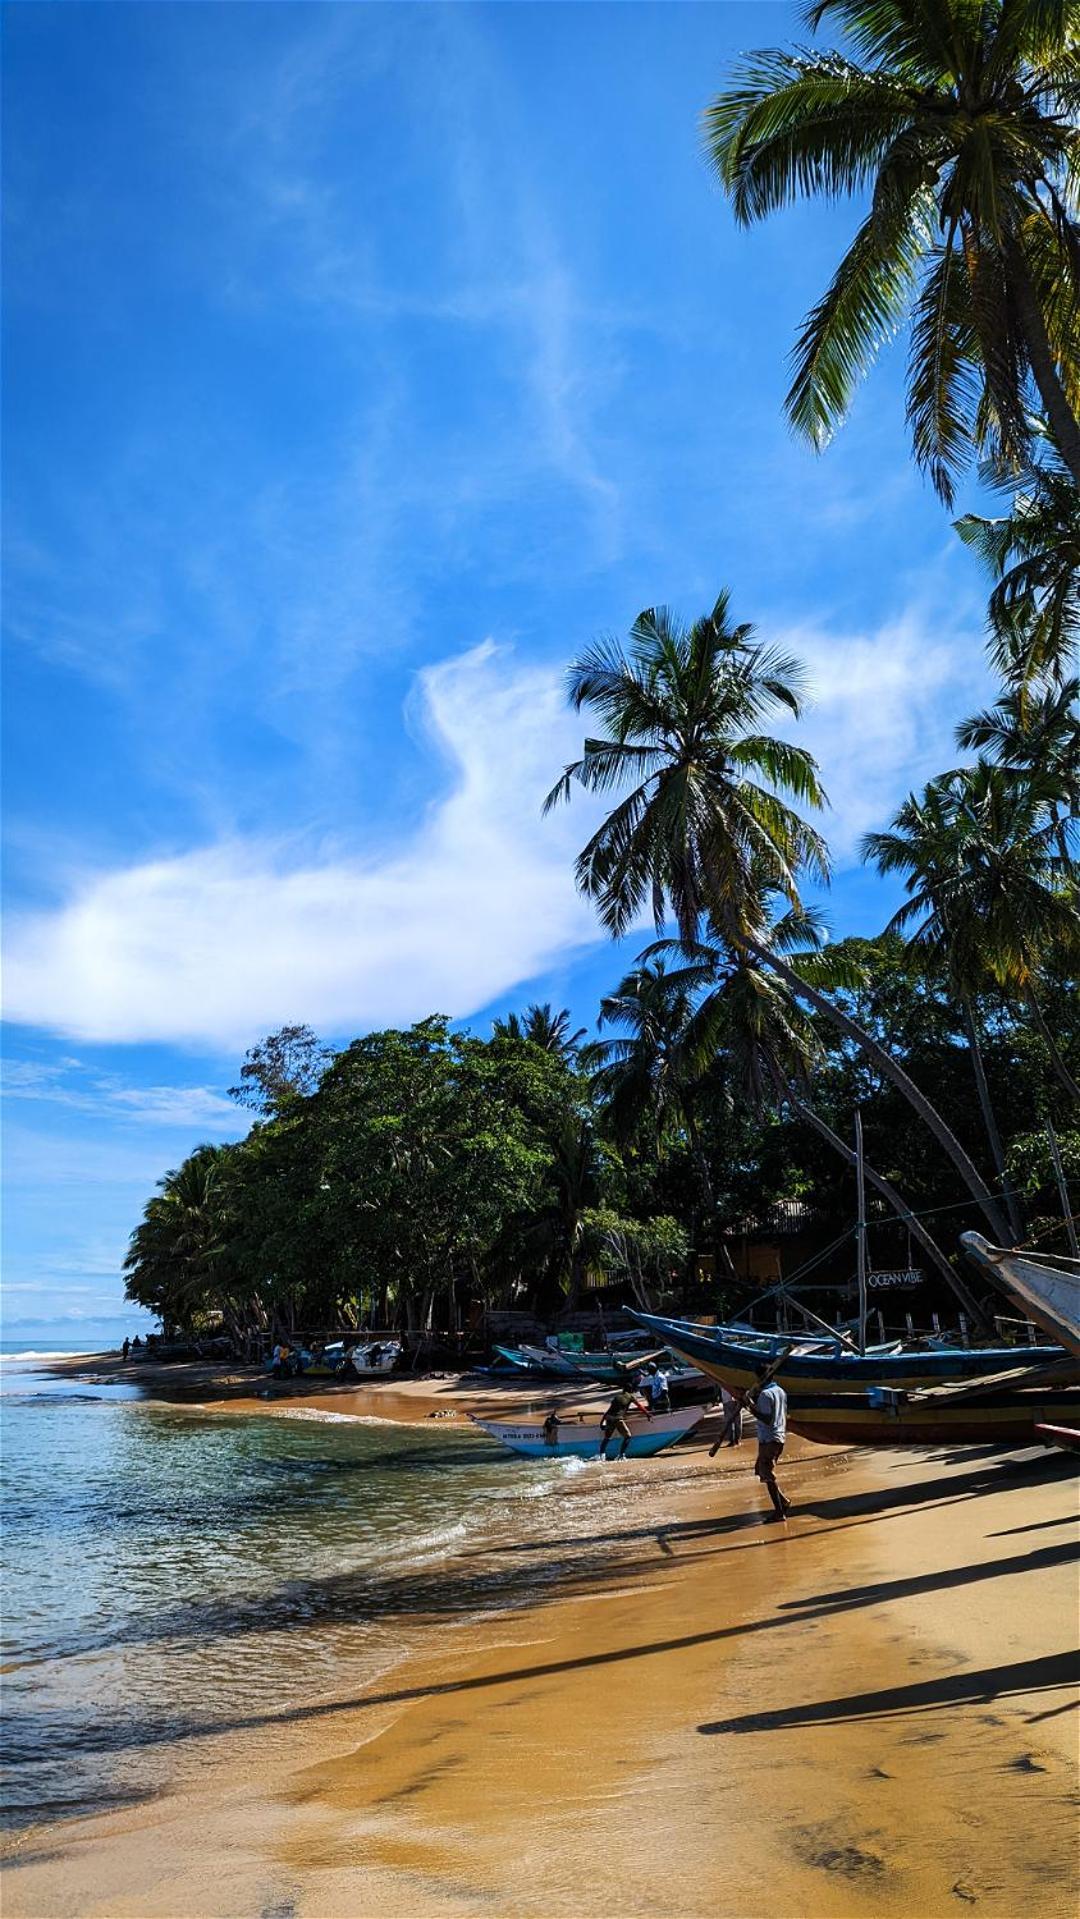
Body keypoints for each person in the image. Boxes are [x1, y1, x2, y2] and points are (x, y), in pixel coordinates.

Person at [745, 1366, 791, 1521]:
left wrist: (750, 1407)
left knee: (768, 1474)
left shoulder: (765, 1394)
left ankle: (779, 1512)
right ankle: (783, 1502)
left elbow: (767, 1419)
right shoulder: (780, 1391)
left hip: (769, 1439)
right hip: (777, 1438)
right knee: (761, 1470)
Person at [598, 1384, 649, 1461]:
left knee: (607, 1438)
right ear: (631, 1390)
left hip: (609, 1418)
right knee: (628, 1436)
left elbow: (609, 1410)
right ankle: (621, 1455)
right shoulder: (630, 1396)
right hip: (618, 1419)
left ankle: (601, 1456)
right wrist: (647, 1414)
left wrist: (602, 1422)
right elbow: (639, 1406)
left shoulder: (617, 1397)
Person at [709, 1383, 743, 1452]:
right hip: (731, 1399)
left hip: (731, 1400)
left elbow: (717, 1388)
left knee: (731, 1421)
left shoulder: (720, 1377)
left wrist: (716, 1399)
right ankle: (735, 1440)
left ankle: (734, 1440)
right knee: (735, 1421)